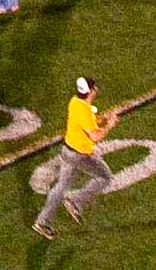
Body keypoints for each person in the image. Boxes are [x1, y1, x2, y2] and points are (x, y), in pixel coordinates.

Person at [33, 75, 117, 236]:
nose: (97, 89)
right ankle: (76, 200)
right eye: (95, 87)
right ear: (91, 91)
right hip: (79, 155)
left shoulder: (75, 102)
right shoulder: (84, 110)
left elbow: (86, 123)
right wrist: (110, 125)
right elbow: (95, 136)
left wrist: (101, 119)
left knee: (60, 187)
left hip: (68, 150)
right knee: (105, 176)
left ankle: (42, 222)